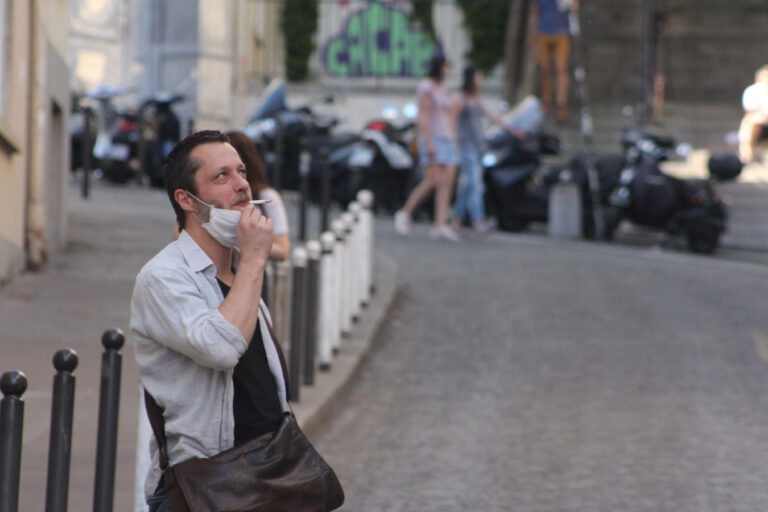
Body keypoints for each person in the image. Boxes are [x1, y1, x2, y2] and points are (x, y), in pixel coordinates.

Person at [130, 130, 288, 511]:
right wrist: (254, 260)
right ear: (186, 199)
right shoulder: (163, 277)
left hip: (265, 479)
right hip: (203, 487)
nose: (242, 187)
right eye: (222, 177)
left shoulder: (238, 272)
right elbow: (221, 348)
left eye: (242, 172)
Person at [450, 65, 524, 233]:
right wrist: (453, 142)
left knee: (467, 185)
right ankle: (478, 220)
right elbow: (452, 120)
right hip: (465, 147)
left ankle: (456, 220)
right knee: (475, 184)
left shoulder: (476, 97)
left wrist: (513, 130)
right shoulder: (460, 97)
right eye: (478, 76)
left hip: (478, 147)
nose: (480, 80)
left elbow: (492, 117)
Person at [394, 54, 460, 241]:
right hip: (433, 138)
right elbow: (423, 115)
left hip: (446, 138)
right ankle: (405, 212)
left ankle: (440, 224)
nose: (448, 70)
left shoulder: (442, 88)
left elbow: (447, 116)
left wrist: (453, 139)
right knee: (432, 180)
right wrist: (428, 142)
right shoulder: (427, 86)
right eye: (445, 66)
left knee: (446, 183)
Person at [226, 130, 290, 261]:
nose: (240, 183)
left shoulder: (266, 196)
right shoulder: (209, 196)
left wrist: (248, 245)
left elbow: (283, 249)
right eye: (222, 173)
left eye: (241, 171)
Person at [529, 0, 578, 121]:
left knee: (560, 67)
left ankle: (561, 103)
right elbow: (534, 12)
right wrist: (531, 34)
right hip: (543, 32)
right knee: (544, 68)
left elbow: (575, 7)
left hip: (561, 33)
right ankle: (546, 101)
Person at [738, 65, 768, 164]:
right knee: (748, 123)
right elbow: (750, 114)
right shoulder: (752, 92)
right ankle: (746, 155)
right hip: (759, 124)